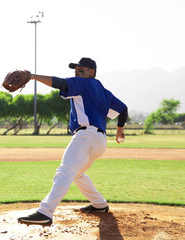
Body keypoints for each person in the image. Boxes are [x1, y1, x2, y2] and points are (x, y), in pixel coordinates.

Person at [18, 57, 128, 226]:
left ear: (92, 72)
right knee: (76, 173)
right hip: (100, 141)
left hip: (86, 136)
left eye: (81, 68)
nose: (77, 70)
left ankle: (45, 212)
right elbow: (123, 109)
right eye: (75, 69)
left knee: (65, 170)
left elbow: (61, 83)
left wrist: (33, 76)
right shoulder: (103, 90)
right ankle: (99, 204)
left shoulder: (83, 83)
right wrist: (119, 130)